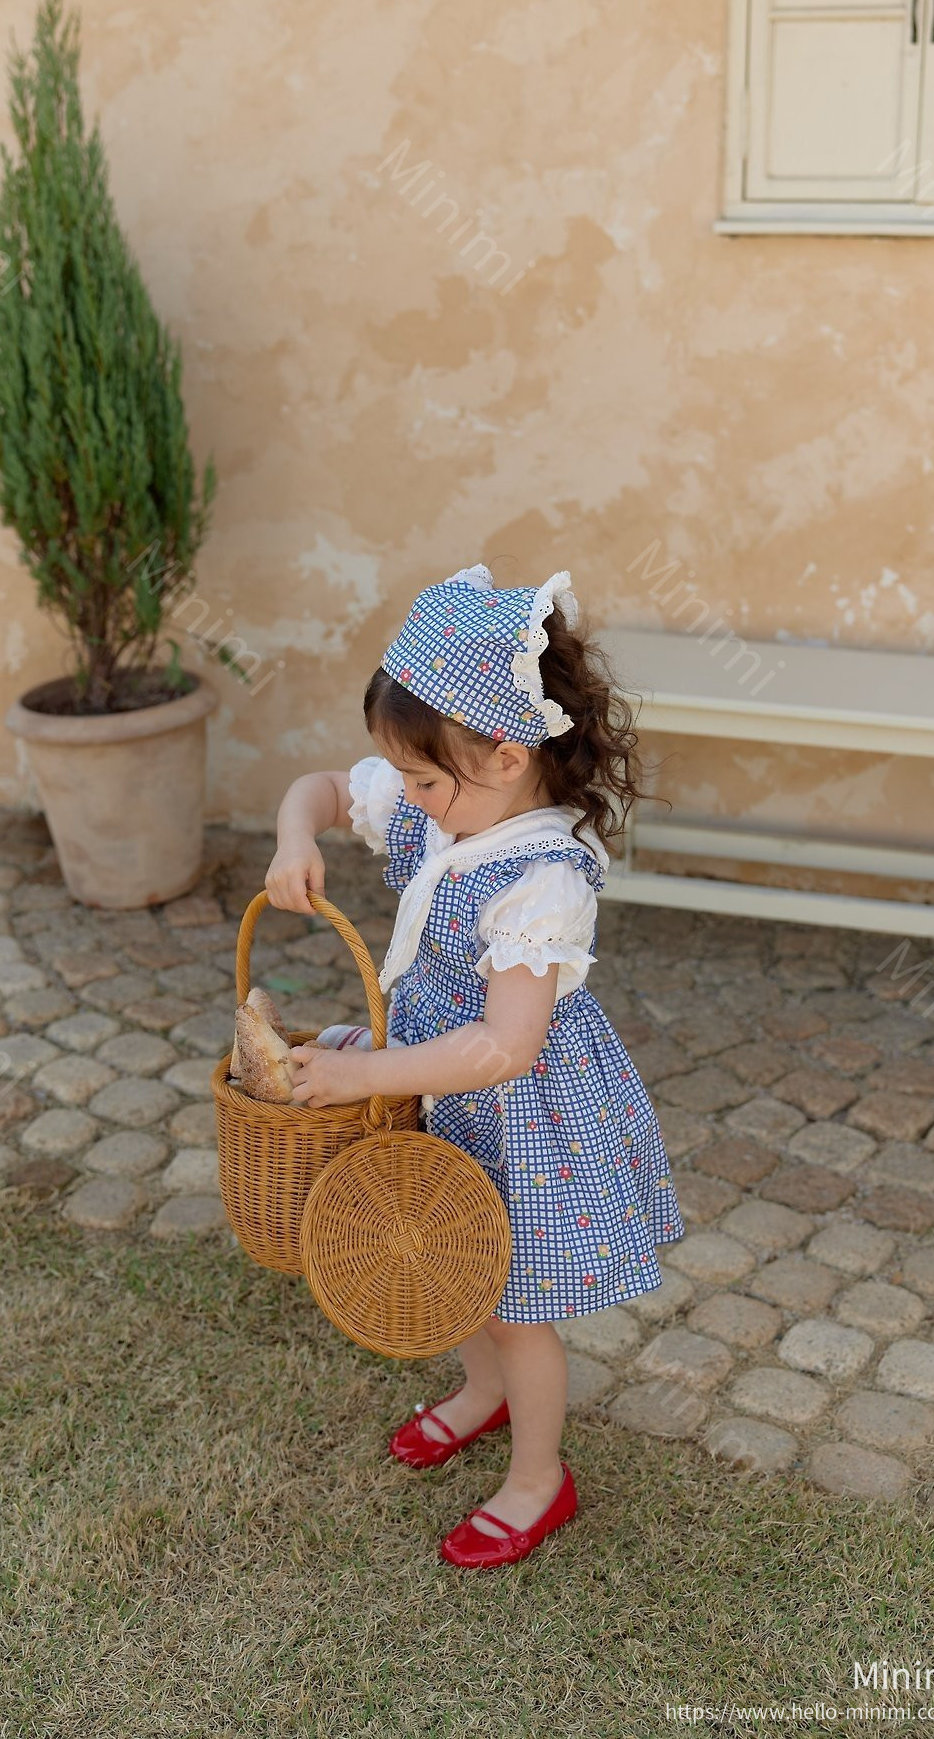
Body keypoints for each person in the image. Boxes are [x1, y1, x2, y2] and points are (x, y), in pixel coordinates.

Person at [265, 561, 686, 1569]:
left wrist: (367, 1077)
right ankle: (481, 1392)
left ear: (505, 757)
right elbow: (321, 790)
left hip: (517, 1110)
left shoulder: (541, 879)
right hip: (434, 1077)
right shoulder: (443, 802)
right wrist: (291, 839)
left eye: (422, 781)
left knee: (511, 1302)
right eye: (404, 779)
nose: (405, 798)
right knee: (445, 1246)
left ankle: (539, 1476)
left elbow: (507, 1045)